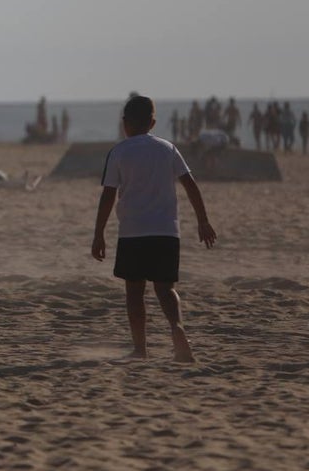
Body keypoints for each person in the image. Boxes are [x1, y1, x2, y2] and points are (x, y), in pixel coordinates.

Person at [91, 95, 217, 363]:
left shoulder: (119, 152)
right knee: (165, 288)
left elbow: (108, 195)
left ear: (125, 123)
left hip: (133, 232)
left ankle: (140, 349)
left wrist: (99, 233)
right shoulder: (167, 148)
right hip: (166, 231)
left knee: (134, 292)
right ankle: (177, 328)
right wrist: (203, 221)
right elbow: (190, 185)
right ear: (153, 123)